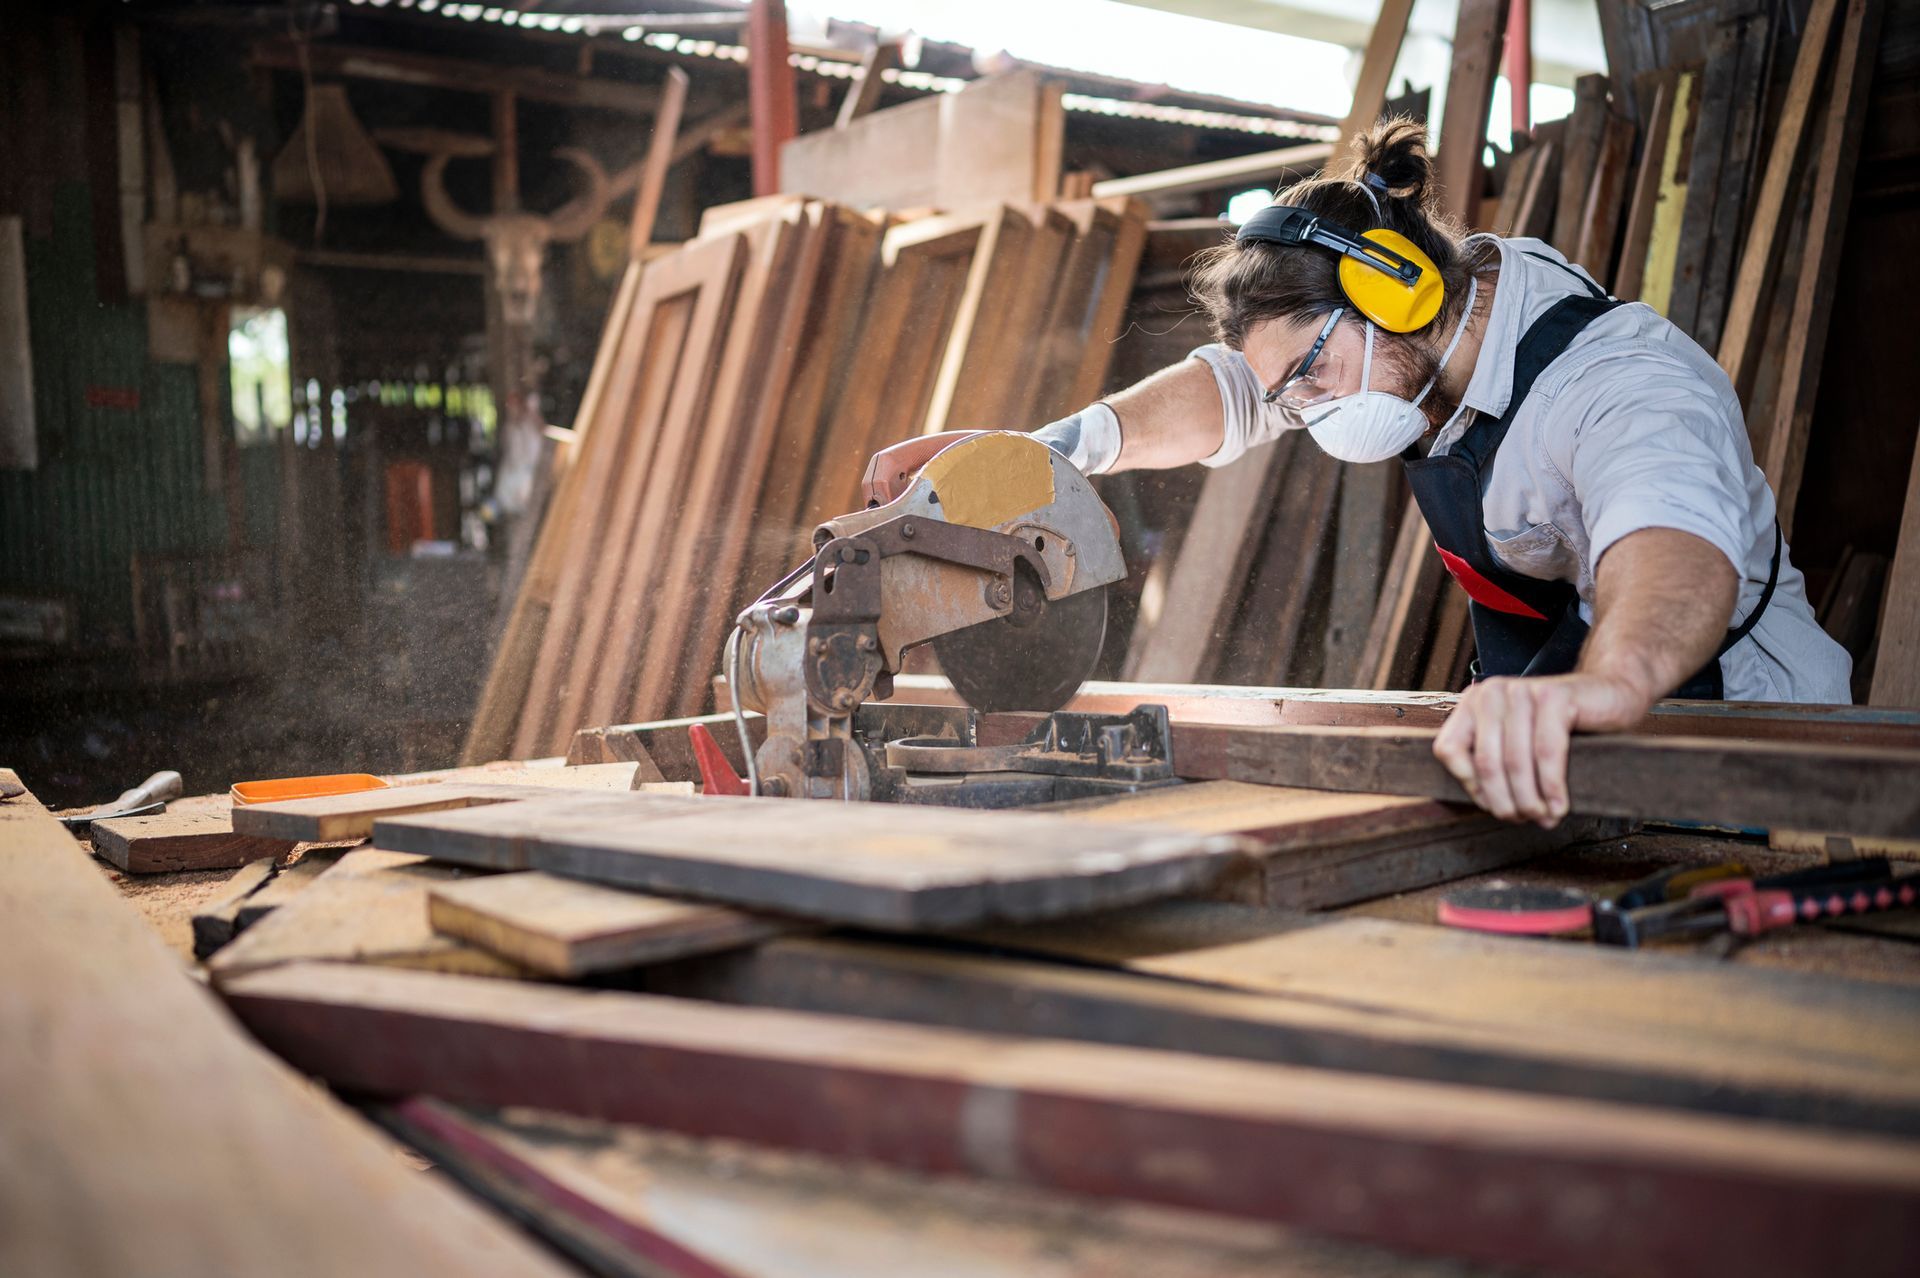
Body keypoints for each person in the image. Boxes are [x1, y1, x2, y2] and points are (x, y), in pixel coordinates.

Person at [866, 119, 1851, 828]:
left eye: (1311, 379)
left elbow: (1677, 552)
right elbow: (1231, 390)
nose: (1299, 414)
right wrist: (1045, 454)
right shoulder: (1425, 333)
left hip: (1750, 749)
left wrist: (1610, 684)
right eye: (1288, 395)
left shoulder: (1619, 383)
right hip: (1567, 738)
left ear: (1396, 290)